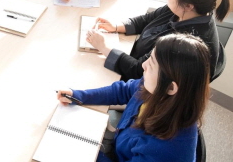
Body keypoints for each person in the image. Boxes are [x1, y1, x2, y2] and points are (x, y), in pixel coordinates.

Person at [57, 33, 210, 162]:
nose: (144, 65)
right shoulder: (159, 88)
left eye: (152, 65)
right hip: (118, 147)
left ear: (171, 87)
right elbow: (122, 91)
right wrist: (78, 95)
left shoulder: (166, 150)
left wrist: (86, 150)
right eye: (150, 57)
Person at [86, 0, 230, 82]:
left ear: (188, 5)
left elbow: (139, 70)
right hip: (135, 63)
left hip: (144, 85)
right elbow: (148, 19)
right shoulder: (184, 10)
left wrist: (104, 47)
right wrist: (117, 26)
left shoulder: (183, 43)